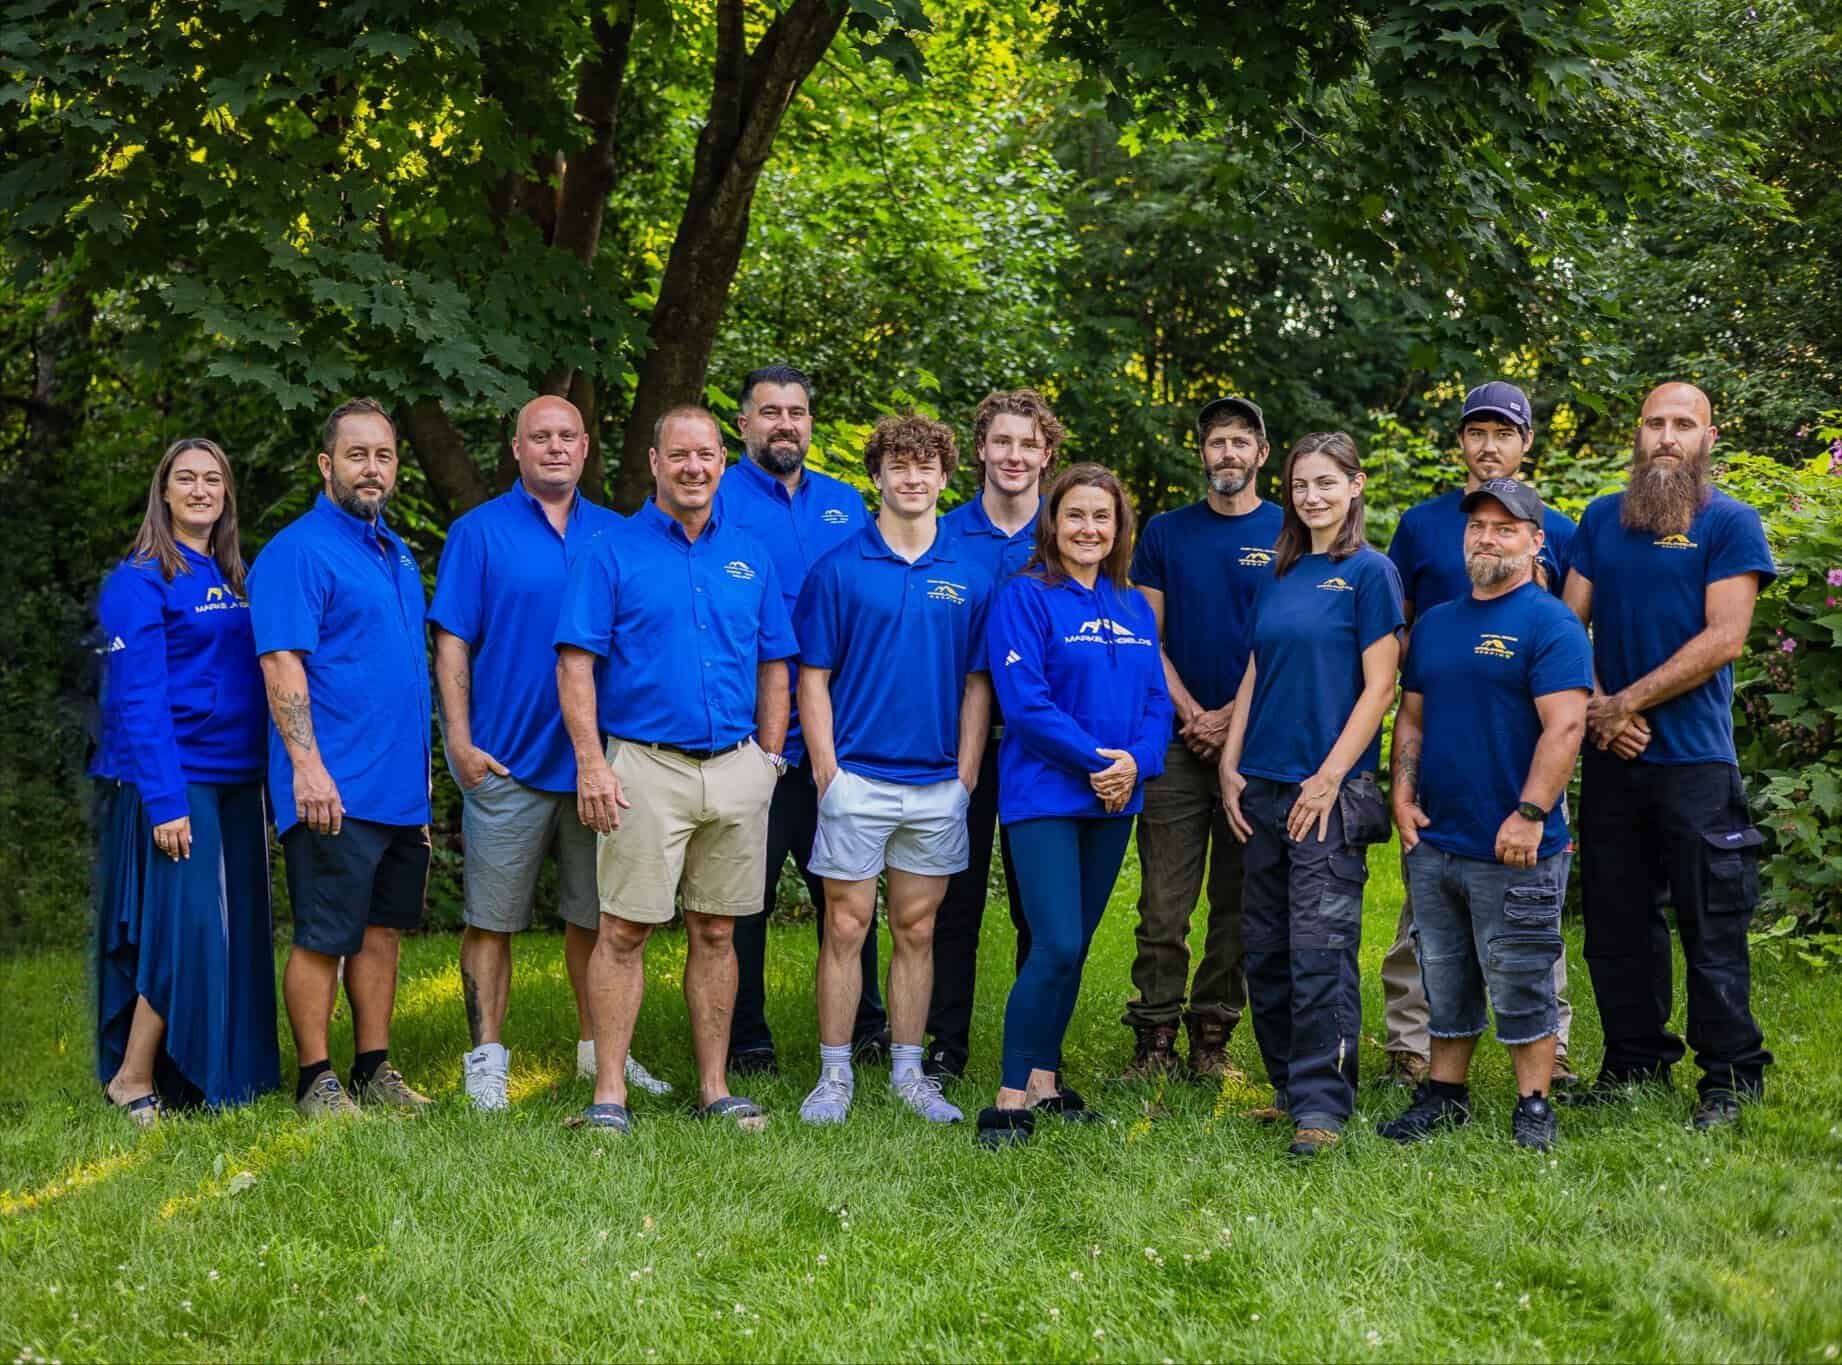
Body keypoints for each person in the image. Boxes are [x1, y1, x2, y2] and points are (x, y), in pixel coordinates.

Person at [555, 404, 795, 1133]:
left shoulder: (750, 555)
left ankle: (715, 1089)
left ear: (723, 461)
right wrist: (592, 764)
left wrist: (769, 759)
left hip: (736, 767)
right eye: (680, 455)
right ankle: (609, 1096)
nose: (694, 467)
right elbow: (575, 664)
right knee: (624, 930)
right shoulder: (611, 551)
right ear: (655, 462)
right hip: (645, 768)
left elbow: (775, 663)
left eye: (707, 454)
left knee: (717, 931)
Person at [429, 395, 669, 1111]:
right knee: (491, 919)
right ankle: (486, 1058)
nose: (555, 447)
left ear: (587, 447)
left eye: (567, 436)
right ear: (517, 449)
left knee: (599, 918)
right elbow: (452, 643)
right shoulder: (478, 533)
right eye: (540, 436)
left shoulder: (620, 534)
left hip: (601, 764)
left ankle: (600, 1051)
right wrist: (460, 741)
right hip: (507, 760)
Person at [1561, 382, 1775, 1130]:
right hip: (1613, 758)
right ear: (1637, 434)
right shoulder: (1601, 519)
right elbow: (1565, 625)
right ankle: (1634, 1063)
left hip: (1695, 763)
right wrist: (1599, 708)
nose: (1666, 436)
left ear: (1708, 438)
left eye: (1683, 424)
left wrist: (1626, 702)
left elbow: (1726, 637)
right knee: (1616, 924)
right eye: (1654, 422)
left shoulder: (1730, 523)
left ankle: (1730, 1077)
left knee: (1711, 924)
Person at [1380, 381, 1582, 1087]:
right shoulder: (1421, 526)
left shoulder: (1559, 530)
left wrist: (1536, 800)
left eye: (1503, 432)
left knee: (1529, 915)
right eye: (1476, 432)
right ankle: (1414, 1047)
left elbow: (1567, 646)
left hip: (1522, 747)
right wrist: (1402, 782)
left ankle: (1547, 1052)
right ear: (1461, 440)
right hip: (1444, 750)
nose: (1488, 445)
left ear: (1526, 442)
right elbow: (1402, 634)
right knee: (1429, 914)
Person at [795, 414, 993, 1127]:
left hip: (937, 784)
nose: (913, 478)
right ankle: (834, 1075)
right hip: (858, 778)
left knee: (917, 929)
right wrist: (828, 772)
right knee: (846, 926)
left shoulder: (968, 575)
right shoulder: (839, 568)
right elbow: (812, 677)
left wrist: (965, 776)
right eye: (899, 466)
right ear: (876, 476)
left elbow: (977, 683)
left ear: (945, 477)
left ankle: (910, 1074)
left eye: (925, 466)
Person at [975, 464, 1172, 1148]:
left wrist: (1136, 763)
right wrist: (1099, 762)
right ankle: (1008, 1099)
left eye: (1102, 517)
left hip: (1115, 798)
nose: (1089, 528)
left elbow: (1156, 701)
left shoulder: (1133, 605)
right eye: (1076, 515)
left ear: (1119, 528)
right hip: (1046, 795)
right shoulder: (1025, 596)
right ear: (1052, 524)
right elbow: (1025, 704)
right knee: (1054, 940)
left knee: (1076, 946)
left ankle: (1045, 1083)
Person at [1218, 432, 1403, 1158]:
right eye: (1300, 485)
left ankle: (1323, 1105)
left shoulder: (1371, 574)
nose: (1311, 496)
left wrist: (1328, 777)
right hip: (1261, 786)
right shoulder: (1281, 570)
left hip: (1327, 791)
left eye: (1326, 482)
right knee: (1264, 949)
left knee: (1319, 951)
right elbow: (1255, 669)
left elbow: (1380, 686)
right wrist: (1230, 760)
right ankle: (1288, 1087)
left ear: (1356, 486)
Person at [250, 397, 434, 1119]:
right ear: (326, 465)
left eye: (383, 455)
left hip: (398, 792)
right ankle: (315, 1078)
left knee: (381, 934)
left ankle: (373, 1068)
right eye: (357, 455)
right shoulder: (298, 551)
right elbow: (281, 662)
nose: (372, 468)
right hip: (333, 785)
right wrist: (307, 767)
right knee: (325, 935)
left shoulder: (397, 554)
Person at [92, 437, 278, 1122]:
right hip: (181, 779)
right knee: (188, 931)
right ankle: (132, 1076)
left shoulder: (237, 576)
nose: (201, 490)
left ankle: (226, 1075)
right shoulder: (140, 580)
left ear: (227, 493)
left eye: (213, 479)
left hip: (240, 779)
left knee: (239, 935)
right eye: (187, 479)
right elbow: (136, 699)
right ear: (164, 492)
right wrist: (166, 800)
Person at [717, 364, 887, 1077]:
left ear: (810, 423)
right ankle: (746, 1038)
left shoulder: (846, 504)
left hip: (838, 744)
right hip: (746, 741)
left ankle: (868, 1025)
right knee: (741, 902)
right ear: (743, 424)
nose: (785, 423)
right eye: (770, 412)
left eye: (796, 412)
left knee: (847, 895)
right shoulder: (715, 497)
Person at [1120, 396, 1282, 1081]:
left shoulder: (1288, 529)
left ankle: (1213, 1035)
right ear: (1203, 453)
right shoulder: (1166, 532)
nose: (1228, 453)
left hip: (1257, 743)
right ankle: (1154, 1037)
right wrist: (1193, 714)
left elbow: (1283, 639)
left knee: (1239, 901)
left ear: (1262, 454)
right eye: (1217, 441)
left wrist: (1230, 720)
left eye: (1241, 441)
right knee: (1165, 901)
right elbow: (1145, 636)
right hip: (1176, 741)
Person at [922, 389, 1060, 1081]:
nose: (1014, 455)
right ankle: (945, 1044)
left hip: (1044, 748)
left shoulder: (1066, 534)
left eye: (1028, 444)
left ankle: (1037, 1052)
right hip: (958, 742)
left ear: (1047, 454)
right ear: (980, 448)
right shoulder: (943, 534)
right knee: (955, 900)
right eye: (1002, 441)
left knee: (1040, 908)